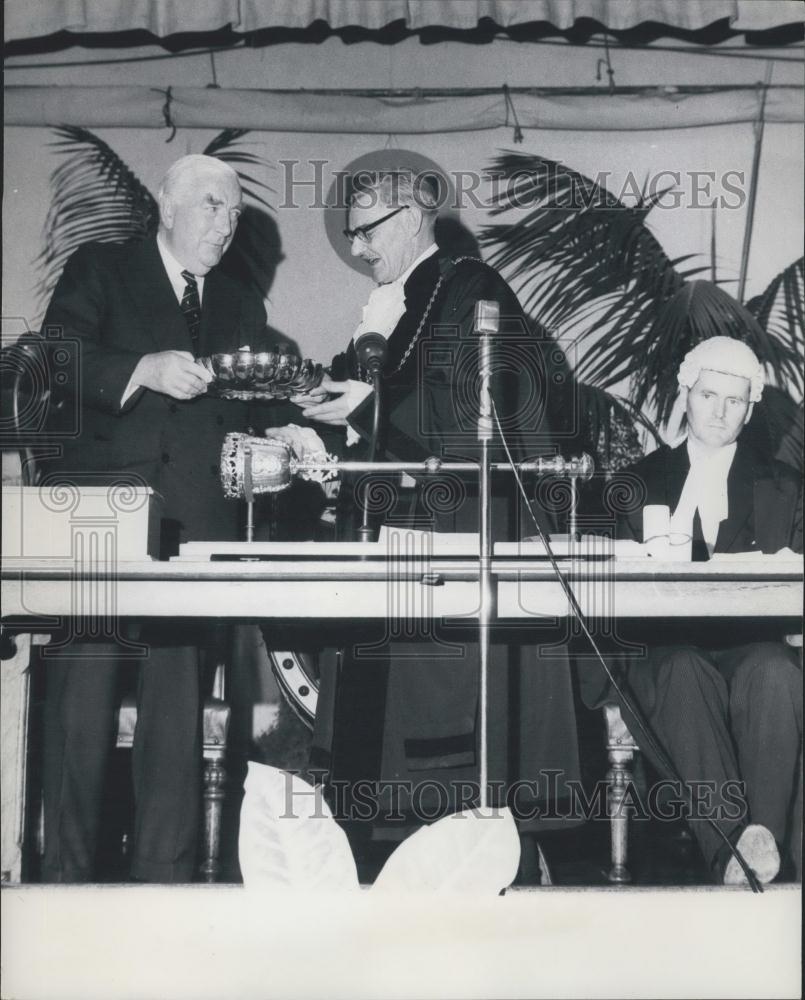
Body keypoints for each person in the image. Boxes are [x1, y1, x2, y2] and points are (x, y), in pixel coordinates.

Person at [267, 169, 581, 865]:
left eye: (366, 230)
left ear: (411, 219)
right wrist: (323, 438)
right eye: (350, 232)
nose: (357, 247)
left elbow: (483, 425)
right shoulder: (395, 307)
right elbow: (382, 428)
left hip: (457, 543)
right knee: (377, 753)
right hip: (398, 545)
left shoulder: (471, 291)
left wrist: (362, 410)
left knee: (444, 774)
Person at [39, 154, 267, 882]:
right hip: (100, 523)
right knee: (81, 710)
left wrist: (289, 430)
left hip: (192, 533)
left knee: (175, 716)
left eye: (233, 212)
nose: (224, 225)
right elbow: (55, 360)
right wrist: (141, 368)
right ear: (166, 206)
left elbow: (245, 410)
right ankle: (64, 881)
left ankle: (162, 887)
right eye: (209, 205)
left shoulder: (240, 303)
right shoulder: (102, 268)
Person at [579, 336, 802, 884]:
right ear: (685, 395)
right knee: (681, 669)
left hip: (755, 645)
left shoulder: (788, 488)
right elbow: (602, 590)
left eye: (734, 401)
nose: (719, 412)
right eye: (708, 396)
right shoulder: (633, 483)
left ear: (750, 409)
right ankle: (732, 850)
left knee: (773, 671)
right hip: (664, 651)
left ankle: (757, 847)